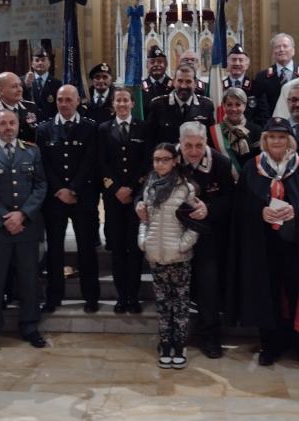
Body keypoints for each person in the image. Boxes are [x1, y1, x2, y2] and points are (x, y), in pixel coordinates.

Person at [229, 117, 299, 371]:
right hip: (263, 244)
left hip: (297, 246)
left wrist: (298, 212)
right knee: (267, 291)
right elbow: (240, 207)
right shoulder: (252, 168)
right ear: (264, 140)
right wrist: (259, 213)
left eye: (281, 137)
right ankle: (270, 345)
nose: (276, 141)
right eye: (272, 136)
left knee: (298, 292)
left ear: (289, 140)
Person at [0, 110, 47, 356]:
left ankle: (30, 327)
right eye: (2, 124)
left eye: (12, 123)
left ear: (18, 126)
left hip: (26, 227)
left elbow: (40, 185)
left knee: (29, 280)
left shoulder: (32, 151)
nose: (8, 128)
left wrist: (23, 214)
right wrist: (4, 217)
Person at [36, 85, 100, 313]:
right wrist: (60, 189)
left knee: (86, 249)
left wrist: (73, 189)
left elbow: (90, 162)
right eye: (60, 99)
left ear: (77, 101)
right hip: (55, 200)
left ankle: (91, 296)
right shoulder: (44, 129)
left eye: (68, 100)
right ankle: (54, 296)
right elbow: (43, 164)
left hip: (82, 198)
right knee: (54, 249)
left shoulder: (90, 128)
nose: (64, 104)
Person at [136, 142, 200, 369]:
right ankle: (165, 342)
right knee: (163, 304)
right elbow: (145, 218)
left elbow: (195, 223)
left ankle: (180, 343)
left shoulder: (186, 188)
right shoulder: (150, 186)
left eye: (165, 159)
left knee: (180, 304)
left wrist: (184, 245)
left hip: (179, 256)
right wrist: (143, 241)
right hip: (156, 254)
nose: (160, 164)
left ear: (175, 161)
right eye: (156, 160)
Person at [179, 121, 234, 359]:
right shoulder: (168, 158)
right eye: (188, 145)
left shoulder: (221, 163)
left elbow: (230, 201)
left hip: (209, 235)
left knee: (208, 287)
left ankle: (210, 335)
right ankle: (175, 335)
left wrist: (209, 209)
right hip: (176, 234)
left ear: (206, 143)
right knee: (177, 287)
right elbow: (153, 185)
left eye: (198, 145)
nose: (193, 151)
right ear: (180, 143)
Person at [98, 86, 150, 313]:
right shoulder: (103, 129)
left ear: (132, 104)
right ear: (113, 104)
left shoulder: (143, 127)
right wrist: (116, 187)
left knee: (134, 248)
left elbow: (147, 161)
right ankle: (121, 296)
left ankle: (134, 296)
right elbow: (101, 162)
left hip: (136, 197)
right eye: (117, 100)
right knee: (118, 249)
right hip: (113, 198)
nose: (121, 104)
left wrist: (132, 187)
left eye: (125, 100)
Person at [147, 64, 215, 146]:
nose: (183, 86)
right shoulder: (158, 105)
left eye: (188, 81)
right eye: (180, 81)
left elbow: (211, 141)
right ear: (174, 82)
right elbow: (149, 140)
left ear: (195, 83)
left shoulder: (206, 106)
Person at [208, 87, 261, 176]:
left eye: (238, 104)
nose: (233, 109)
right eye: (229, 104)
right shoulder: (214, 132)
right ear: (223, 106)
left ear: (244, 106)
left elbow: (259, 161)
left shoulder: (256, 131)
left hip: (249, 182)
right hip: (224, 183)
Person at [0, 71, 39, 145]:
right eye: (14, 86)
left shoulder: (31, 107)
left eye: (20, 85)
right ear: (1, 90)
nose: (19, 89)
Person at [253, 33, 299, 113]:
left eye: (285, 46)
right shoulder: (262, 77)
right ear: (273, 52)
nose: (281, 49)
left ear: (293, 51)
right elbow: (260, 109)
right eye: (277, 47)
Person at [222, 44, 268, 124]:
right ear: (227, 63)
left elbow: (263, 115)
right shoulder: (219, 87)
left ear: (247, 65)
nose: (237, 63)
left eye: (241, 60)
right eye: (233, 60)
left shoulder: (257, 87)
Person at [23, 47, 61, 121]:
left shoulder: (57, 84)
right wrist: (26, 85)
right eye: (37, 60)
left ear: (49, 63)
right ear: (32, 64)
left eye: (43, 60)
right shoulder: (23, 81)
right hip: (29, 123)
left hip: (49, 124)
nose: (40, 63)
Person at [141, 45, 173, 113]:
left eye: (160, 61)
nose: (156, 64)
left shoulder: (174, 86)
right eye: (152, 62)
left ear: (166, 64)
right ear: (147, 65)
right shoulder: (140, 88)